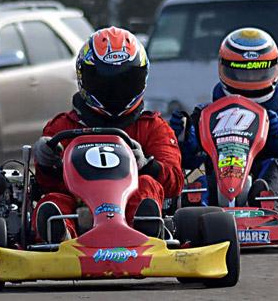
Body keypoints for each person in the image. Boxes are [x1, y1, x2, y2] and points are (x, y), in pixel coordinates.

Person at [31, 26, 183, 242]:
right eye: (105, 84)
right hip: (79, 208)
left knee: (148, 186)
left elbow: (175, 182)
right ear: (84, 79)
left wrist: (146, 165)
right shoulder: (63, 127)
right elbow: (47, 184)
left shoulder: (152, 126)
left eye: (125, 82)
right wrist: (46, 162)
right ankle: (60, 235)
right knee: (54, 200)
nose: (116, 92)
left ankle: (144, 229)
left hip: (130, 206)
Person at [170, 28, 278, 211]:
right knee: (203, 177)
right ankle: (198, 207)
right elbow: (187, 162)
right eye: (242, 72)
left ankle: (265, 199)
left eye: (257, 72)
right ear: (225, 68)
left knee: (275, 166)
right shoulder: (205, 114)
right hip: (219, 184)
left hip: (271, 183)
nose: (250, 78)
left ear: (273, 68)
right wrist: (184, 141)